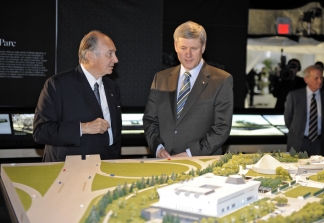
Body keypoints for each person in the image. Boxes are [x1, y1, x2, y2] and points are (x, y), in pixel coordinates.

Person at [143, 21, 233, 158]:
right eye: (183, 48)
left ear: (203, 47)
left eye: (194, 48)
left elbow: (221, 128)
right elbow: (150, 119)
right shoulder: (160, 78)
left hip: (202, 162)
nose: (188, 54)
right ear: (175, 46)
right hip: (164, 161)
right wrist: (158, 148)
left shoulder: (221, 80)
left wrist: (190, 154)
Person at [33, 30, 122, 162]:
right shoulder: (58, 84)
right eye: (110, 54)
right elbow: (41, 132)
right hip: (69, 169)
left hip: (108, 167)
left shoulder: (112, 87)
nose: (116, 59)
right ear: (90, 55)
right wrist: (83, 128)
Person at [284, 65, 324, 156]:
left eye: (321, 77)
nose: (320, 81)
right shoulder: (294, 96)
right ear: (306, 80)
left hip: (319, 143)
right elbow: (288, 119)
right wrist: (297, 133)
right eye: (316, 78)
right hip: (299, 143)